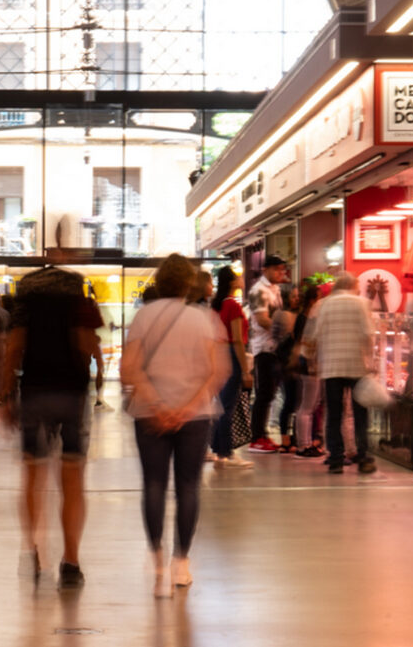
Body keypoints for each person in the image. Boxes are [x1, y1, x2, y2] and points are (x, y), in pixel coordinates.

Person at [121, 254, 228, 597]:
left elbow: (129, 369)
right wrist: (184, 408)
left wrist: (158, 405)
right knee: (188, 486)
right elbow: (216, 372)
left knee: (153, 483)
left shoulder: (143, 317)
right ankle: (181, 561)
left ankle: (155, 558)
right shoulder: (205, 319)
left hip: (149, 414)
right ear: (188, 284)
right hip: (194, 416)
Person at [0, 266, 103, 589]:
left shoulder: (26, 303)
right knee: (72, 478)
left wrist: (5, 396)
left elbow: (14, 348)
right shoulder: (78, 300)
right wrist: (96, 371)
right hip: (72, 393)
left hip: (35, 392)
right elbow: (87, 343)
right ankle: (70, 561)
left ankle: (32, 550)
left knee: (33, 475)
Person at [312, 273, 377, 475]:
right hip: (356, 365)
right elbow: (368, 334)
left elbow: (315, 335)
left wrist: (314, 360)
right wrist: (370, 361)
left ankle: (336, 459)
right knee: (360, 414)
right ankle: (363, 456)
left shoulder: (324, 305)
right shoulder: (361, 303)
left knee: (334, 414)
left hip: (331, 368)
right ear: (352, 285)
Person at [209, 266, 253, 468]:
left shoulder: (216, 306)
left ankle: (218, 449)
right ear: (232, 282)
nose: (242, 278)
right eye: (238, 276)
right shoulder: (233, 306)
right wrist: (245, 370)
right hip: (231, 355)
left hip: (217, 354)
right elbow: (237, 339)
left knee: (221, 405)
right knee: (227, 407)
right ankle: (226, 451)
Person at [246, 255, 286, 453]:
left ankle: (263, 435)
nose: (281, 273)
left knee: (270, 394)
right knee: (264, 393)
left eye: (282, 269)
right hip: (264, 349)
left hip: (274, 348)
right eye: (277, 269)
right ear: (266, 270)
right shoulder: (258, 291)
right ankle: (257, 437)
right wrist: (284, 329)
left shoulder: (275, 290)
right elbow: (262, 320)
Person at [292, 282, 325, 459]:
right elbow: (303, 343)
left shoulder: (305, 317)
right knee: (307, 406)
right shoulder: (307, 319)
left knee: (309, 405)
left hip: (309, 364)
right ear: (313, 300)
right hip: (309, 365)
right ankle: (303, 445)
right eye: (320, 298)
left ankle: (306, 443)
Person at [273, 283, 301, 453]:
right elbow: (290, 336)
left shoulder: (281, 314)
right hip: (288, 362)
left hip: (285, 362)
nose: (297, 299)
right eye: (293, 296)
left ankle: (288, 439)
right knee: (291, 401)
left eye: (298, 296)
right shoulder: (285, 315)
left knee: (292, 401)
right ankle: (287, 440)